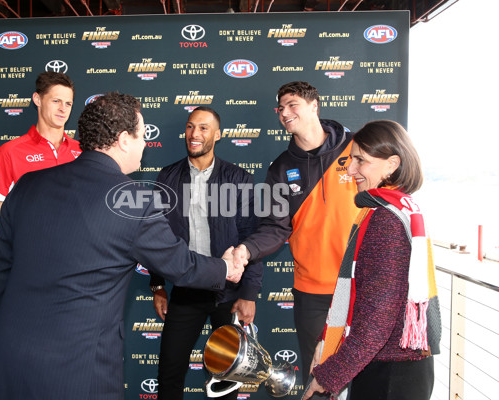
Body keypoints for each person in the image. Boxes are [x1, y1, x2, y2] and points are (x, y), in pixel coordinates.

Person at [0, 93, 245, 400]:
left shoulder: (28, 184)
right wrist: (227, 267)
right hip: (78, 373)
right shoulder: (135, 200)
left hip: (6, 361)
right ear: (123, 139)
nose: (144, 143)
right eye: (141, 134)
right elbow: (181, 265)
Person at [232, 81, 359, 389]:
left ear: (314, 105)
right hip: (312, 292)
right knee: (318, 378)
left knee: (364, 376)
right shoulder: (280, 168)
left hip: (360, 284)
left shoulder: (357, 147)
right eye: (280, 108)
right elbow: (275, 228)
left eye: (292, 105)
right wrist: (246, 250)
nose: (285, 113)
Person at [304, 120, 441, 399]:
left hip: (390, 375)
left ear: (392, 164)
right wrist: (326, 345)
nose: (351, 170)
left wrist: (328, 376)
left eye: (360, 161)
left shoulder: (385, 221)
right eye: (351, 160)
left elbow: (376, 323)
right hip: (399, 366)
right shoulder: (399, 208)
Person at [148, 107, 263, 400]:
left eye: (203, 128)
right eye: (190, 127)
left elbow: (252, 238)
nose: (194, 134)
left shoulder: (239, 178)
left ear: (218, 135)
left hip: (229, 291)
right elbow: (157, 237)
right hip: (186, 288)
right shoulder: (168, 176)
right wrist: (158, 285)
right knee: (170, 371)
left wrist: (248, 293)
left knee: (226, 377)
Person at [0, 71, 81, 250]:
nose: (63, 109)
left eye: (68, 103)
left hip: (74, 261)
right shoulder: (9, 152)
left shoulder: (82, 151)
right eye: (56, 101)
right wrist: (4, 271)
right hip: (28, 263)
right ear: (37, 99)